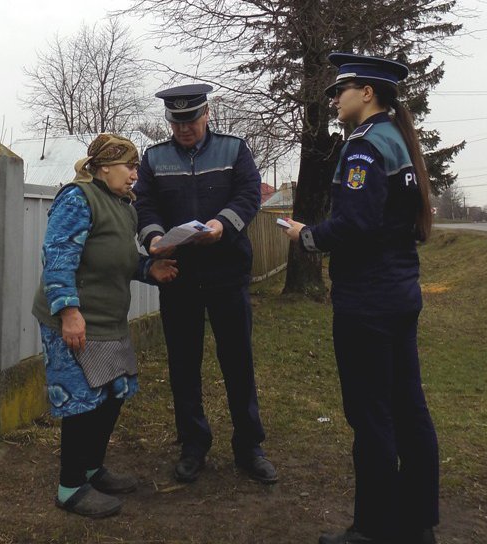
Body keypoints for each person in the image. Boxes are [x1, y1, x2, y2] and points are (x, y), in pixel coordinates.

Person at [282, 53, 439, 544]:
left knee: (371, 414)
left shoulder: (365, 148)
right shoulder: (397, 141)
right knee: (408, 407)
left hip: (367, 300)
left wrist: (307, 235)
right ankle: (416, 523)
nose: (334, 98)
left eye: (341, 89)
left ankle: (372, 529)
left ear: (367, 93)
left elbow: (355, 225)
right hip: (398, 292)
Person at [133, 84, 277, 485]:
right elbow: (144, 205)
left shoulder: (234, 150)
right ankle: (193, 444)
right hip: (179, 277)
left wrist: (222, 224)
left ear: (207, 114)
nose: (184, 130)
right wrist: (154, 239)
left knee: (237, 361)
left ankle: (249, 446)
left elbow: (249, 195)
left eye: (191, 121)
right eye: (176, 123)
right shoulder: (154, 158)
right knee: (183, 363)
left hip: (227, 273)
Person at [32, 134, 178, 519]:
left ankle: (92, 468)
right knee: (82, 403)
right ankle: (70, 488)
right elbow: (58, 256)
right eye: (129, 166)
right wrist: (68, 312)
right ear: (104, 167)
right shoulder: (78, 198)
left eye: (135, 167)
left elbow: (120, 259)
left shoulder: (123, 206)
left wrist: (150, 268)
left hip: (109, 322)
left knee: (113, 395)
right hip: (77, 321)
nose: (135, 174)